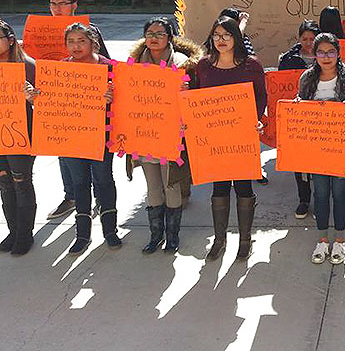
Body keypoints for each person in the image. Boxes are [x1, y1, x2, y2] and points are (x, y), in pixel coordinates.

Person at [127, 18, 202, 254]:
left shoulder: (182, 64)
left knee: (171, 186)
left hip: (172, 136)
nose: (154, 38)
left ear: (170, 37)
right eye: (149, 33)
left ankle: (172, 237)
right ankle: (155, 235)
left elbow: (197, 98)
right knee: (152, 187)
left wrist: (187, 93)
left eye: (160, 33)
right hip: (145, 135)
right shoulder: (134, 65)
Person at [196, 17, 267, 261]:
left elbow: (260, 98)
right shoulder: (204, 66)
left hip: (243, 136)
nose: (221, 40)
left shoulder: (251, 66)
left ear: (236, 37)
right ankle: (219, 239)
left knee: (244, 186)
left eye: (226, 35)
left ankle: (245, 240)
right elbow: (196, 98)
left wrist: (256, 121)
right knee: (219, 187)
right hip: (213, 137)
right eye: (216, 35)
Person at [45, 0, 110, 221]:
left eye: (62, 3)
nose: (57, 8)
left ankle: (103, 201)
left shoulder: (89, 30)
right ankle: (71, 196)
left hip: (90, 105)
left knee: (97, 163)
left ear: (74, 5)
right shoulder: (39, 32)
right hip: (60, 103)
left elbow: (106, 63)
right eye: (53, 3)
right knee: (64, 153)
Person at [298, 33, 345, 265]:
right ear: (314, 55)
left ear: (338, 53)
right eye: (321, 52)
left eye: (331, 52)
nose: (326, 57)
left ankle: (341, 240)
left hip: (342, 148)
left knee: (339, 192)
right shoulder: (306, 79)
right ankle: (323, 239)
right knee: (321, 193)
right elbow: (298, 112)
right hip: (317, 148)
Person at [57, 23, 119, 254]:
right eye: (71, 41)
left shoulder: (109, 67)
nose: (75, 46)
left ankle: (110, 231)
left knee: (104, 181)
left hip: (101, 136)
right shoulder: (60, 69)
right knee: (79, 184)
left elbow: (126, 103)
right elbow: (53, 105)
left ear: (93, 41)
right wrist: (35, 98)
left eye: (81, 41)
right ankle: (82, 235)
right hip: (72, 137)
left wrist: (112, 97)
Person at [277, 21, 321, 218]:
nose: (309, 43)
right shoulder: (288, 59)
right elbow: (278, 87)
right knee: (299, 161)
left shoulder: (328, 58)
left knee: (321, 161)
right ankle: (304, 199)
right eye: (305, 39)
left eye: (312, 39)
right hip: (298, 118)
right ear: (299, 39)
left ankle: (321, 198)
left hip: (323, 119)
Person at [0, 20, 37, 255]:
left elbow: (47, 104)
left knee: (21, 183)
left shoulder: (27, 65)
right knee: (4, 184)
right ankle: (13, 231)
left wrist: (32, 97)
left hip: (21, 134)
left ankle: (25, 234)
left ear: (10, 39)